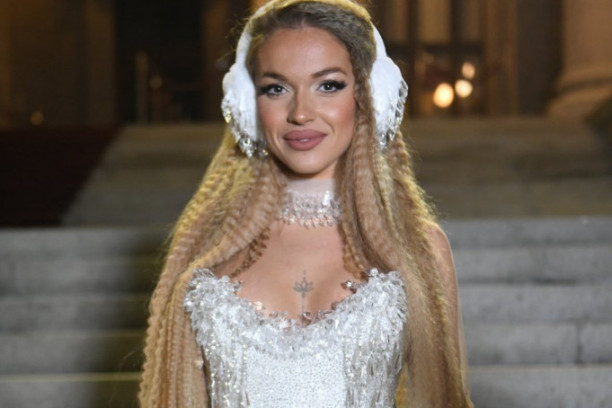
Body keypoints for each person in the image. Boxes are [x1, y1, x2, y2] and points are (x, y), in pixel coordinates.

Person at [139, 0, 473, 407]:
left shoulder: (421, 249)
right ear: (249, 104)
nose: (300, 113)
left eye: (328, 85)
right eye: (276, 88)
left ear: (368, 96)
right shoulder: (205, 247)